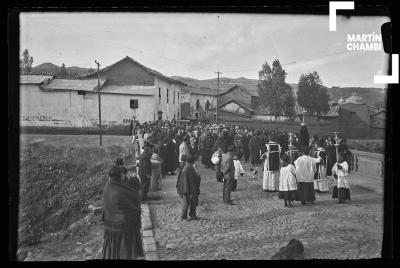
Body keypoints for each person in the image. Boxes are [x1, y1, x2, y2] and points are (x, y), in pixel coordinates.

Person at [102, 165, 144, 259]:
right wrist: (137, 209)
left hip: (110, 226)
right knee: (124, 252)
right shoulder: (119, 191)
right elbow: (133, 205)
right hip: (124, 228)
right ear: (120, 176)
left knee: (113, 252)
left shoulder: (108, 187)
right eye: (123, 174)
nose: (125, 176)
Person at [176, 155, 201, 221]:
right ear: (192, 161)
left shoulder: (189, 166)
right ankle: (183, 216)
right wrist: (186, 190)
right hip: (188, 188)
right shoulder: (188, 168)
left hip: (190, 187)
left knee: (192, 202)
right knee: (186, 203)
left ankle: (192, 215)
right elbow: (186, 180)